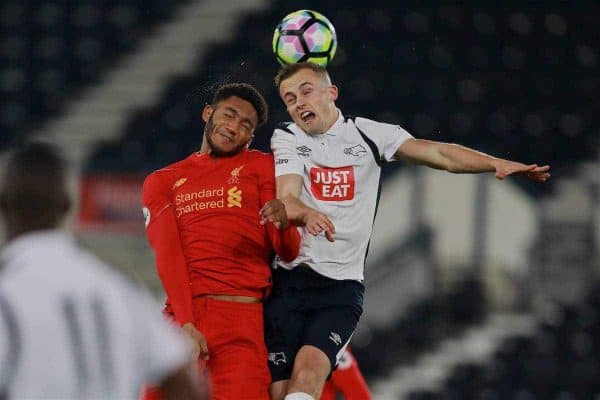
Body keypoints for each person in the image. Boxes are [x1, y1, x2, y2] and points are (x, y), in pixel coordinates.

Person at [266, 62, 551, 400]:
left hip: (340, 289)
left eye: (306, 91)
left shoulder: (370, 135)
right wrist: (305, 214)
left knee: (309, 374)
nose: (298, 102)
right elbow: (286, 198)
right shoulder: (287, 136)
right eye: (289, 98)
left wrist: (494, 163)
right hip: (290, 280)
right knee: (279, 391)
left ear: (332, 92)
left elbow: (439, 153)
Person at [0, 142, 206, 400]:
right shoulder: (117, 289)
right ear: (66, 205)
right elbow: (182, 380)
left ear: (3, 204)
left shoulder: (8, 295)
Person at [141, 83, 301, 400]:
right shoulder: (163, 181)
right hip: (178, 319)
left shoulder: (261, 167)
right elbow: (167, 252)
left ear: (251, 137)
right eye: (230, 115)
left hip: (239, 326)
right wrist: (186, 324)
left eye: (246, 126)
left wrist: (284, 226)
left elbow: (288, 251)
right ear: (208, 113)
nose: (234, 128)